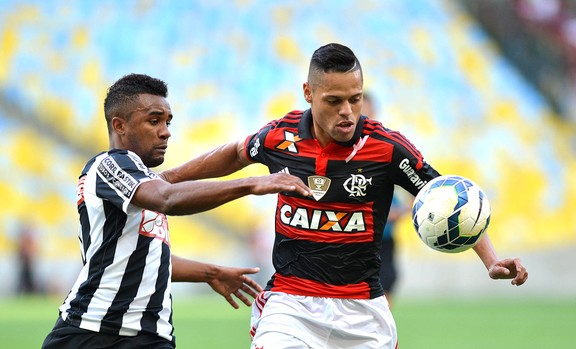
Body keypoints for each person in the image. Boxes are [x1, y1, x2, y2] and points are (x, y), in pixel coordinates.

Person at [162, 43, 529, 349]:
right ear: (308, 93)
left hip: (363, 309)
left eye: (354, 99)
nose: (347, 112)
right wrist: (167, 178)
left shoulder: (387, 147)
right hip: (292, 303)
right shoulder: (281, 136)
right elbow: (236, 152)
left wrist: (491, 260)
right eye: (334, 101)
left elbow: (448, 199)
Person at [41, 73, 312, 349]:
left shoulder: (142, 180)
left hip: (151, 335)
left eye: (168, 122)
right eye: (154, 120)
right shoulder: (108, 165)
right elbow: (167, 198)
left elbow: (148, 257)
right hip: (90, 331)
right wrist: (252, 183)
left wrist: (211, 273)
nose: (166, 131)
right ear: (119, 125)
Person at [361, 92, 410, 305]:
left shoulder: (387, 148)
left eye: (367, 111)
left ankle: (380, 329)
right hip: (357, 238)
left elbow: (415, 192)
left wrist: (401, 211)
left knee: (386, 283)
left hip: (385, 239)